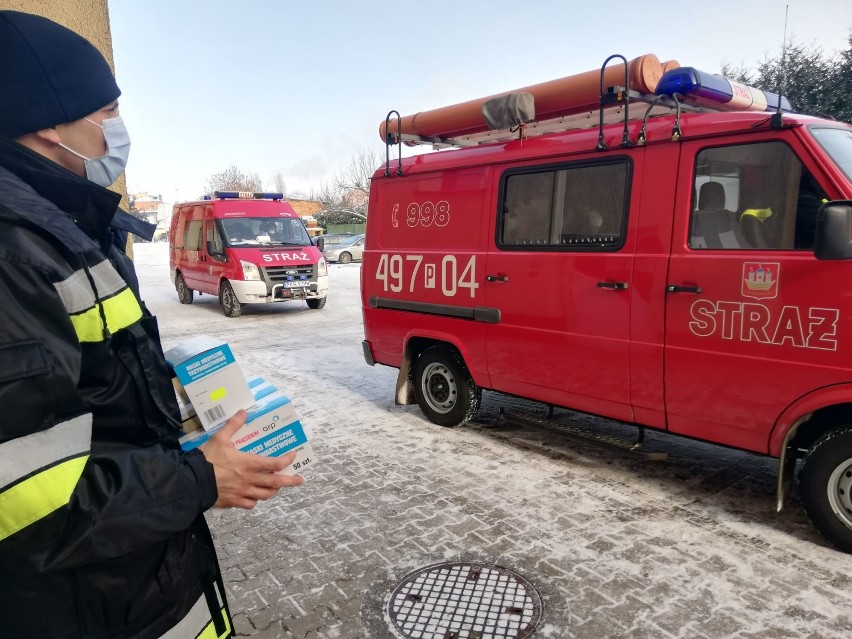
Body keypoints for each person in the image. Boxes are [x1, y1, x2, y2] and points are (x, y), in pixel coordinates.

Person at [0, 11, 303, 638]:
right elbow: (27, 502)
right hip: (84, 608)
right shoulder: (14, 253)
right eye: (107, 111)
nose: (116, 128)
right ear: (50, 126)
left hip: (130, 584)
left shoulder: (67, 222)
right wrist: (199, 478)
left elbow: (76, 395)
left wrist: (160, 389)